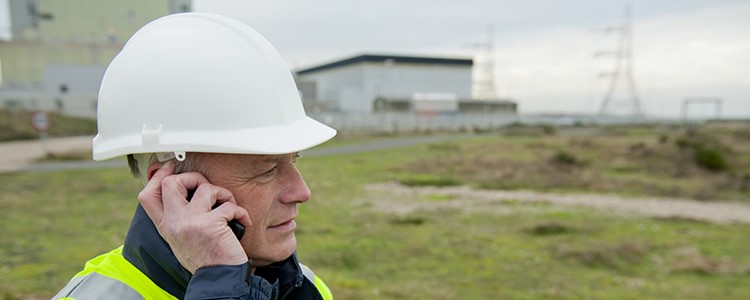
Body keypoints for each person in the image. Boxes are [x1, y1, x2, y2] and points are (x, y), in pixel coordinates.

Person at [53, 12, 336, 300]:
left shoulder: (306, 288)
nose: (301, 192)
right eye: (265, 170)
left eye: (294, 159)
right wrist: (220, 285)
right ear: (171, 188)